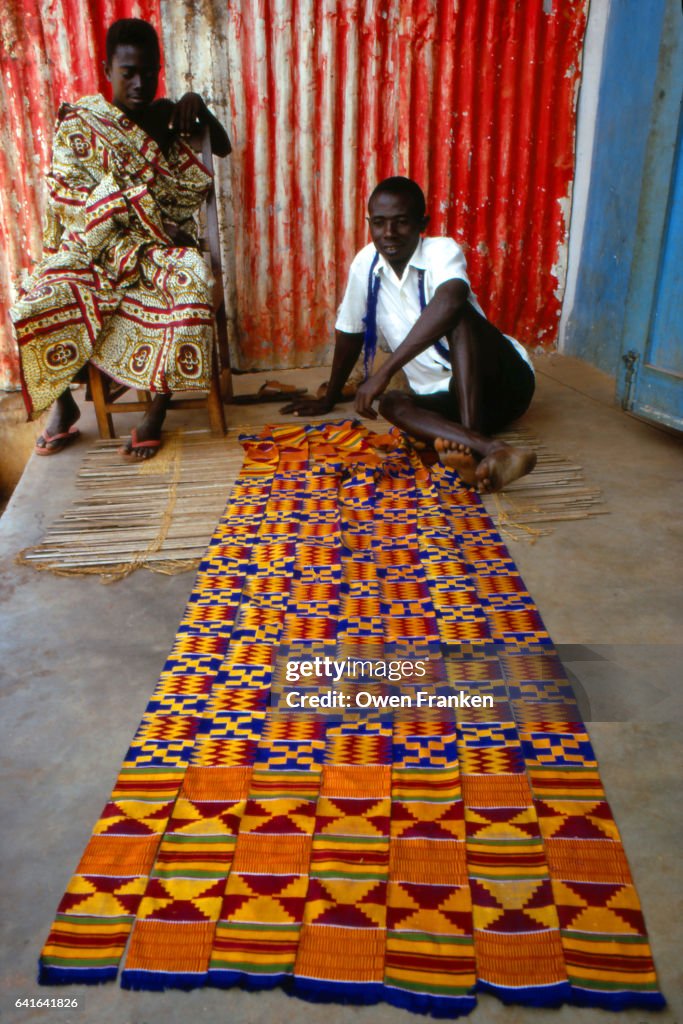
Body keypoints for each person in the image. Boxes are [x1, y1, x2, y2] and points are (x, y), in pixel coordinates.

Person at [10, 18, 231, 459]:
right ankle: (64, 405)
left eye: (149, 72)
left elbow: (219, 146)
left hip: (156, 253)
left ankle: (156, 414)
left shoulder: (164, 114)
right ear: (107, 68)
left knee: (191, 291)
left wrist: (198, 105)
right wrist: (133, 215)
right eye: (128, 72)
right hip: (97, 249)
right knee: (37, 297)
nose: (140, 82)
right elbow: (68, 198)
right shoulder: (81, 124)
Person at [284, 176, 537, 493]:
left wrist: (384, 371)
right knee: (392, 403)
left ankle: (473, 446)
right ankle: (489, 450)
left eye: (401, 222)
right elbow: (350, 335)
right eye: (379, 223)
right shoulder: (366, 264)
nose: (388, 233)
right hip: (447, 399)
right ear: (370, 224)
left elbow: (451, 300)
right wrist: (329, 398)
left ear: (422, 224)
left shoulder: (441, 251)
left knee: (458, 316)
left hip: (504, 385)